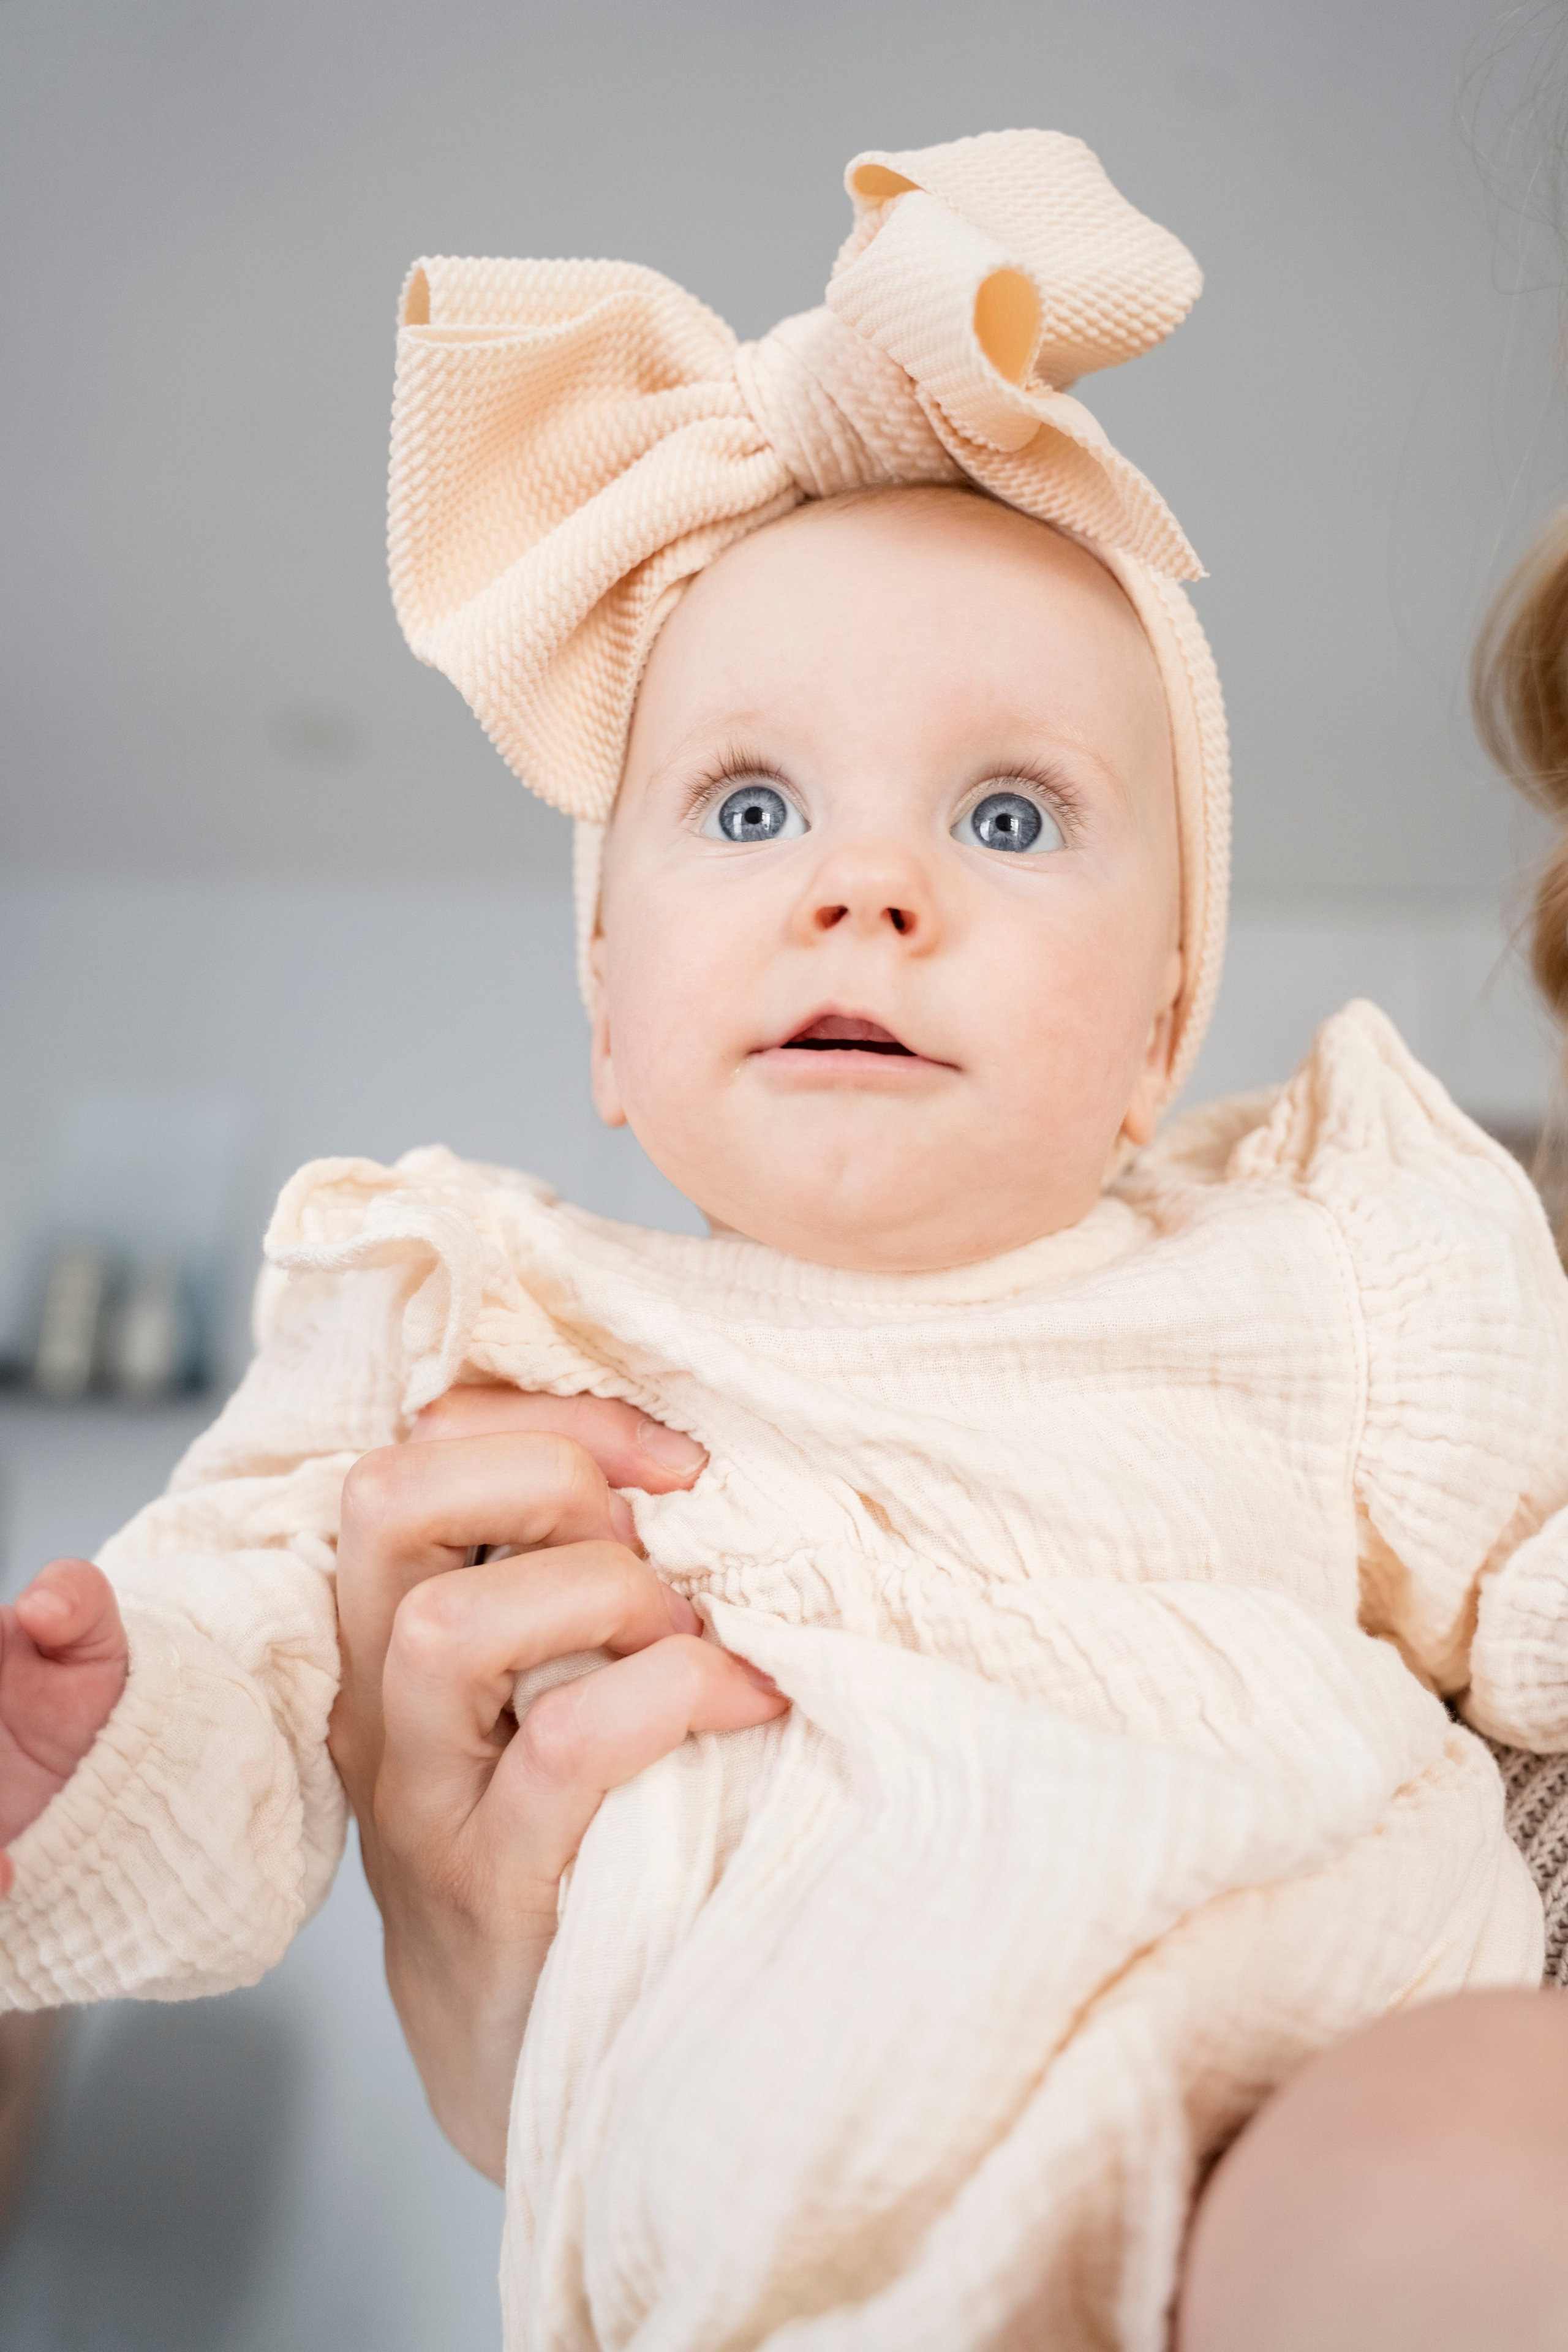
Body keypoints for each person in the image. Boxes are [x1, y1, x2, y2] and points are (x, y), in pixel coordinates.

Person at [4, 130, 1568, 2350]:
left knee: (1478, 2173)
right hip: (779, 2213)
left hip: (1308, 2047)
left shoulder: (1312, 1268)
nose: (864, 886)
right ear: (610, 1019)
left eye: (1007, 815)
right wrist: (97, 1745)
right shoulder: (490, 1310)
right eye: (752, 809)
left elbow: (1526, 1556)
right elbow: (240, 1642)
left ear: (1155, 1036)